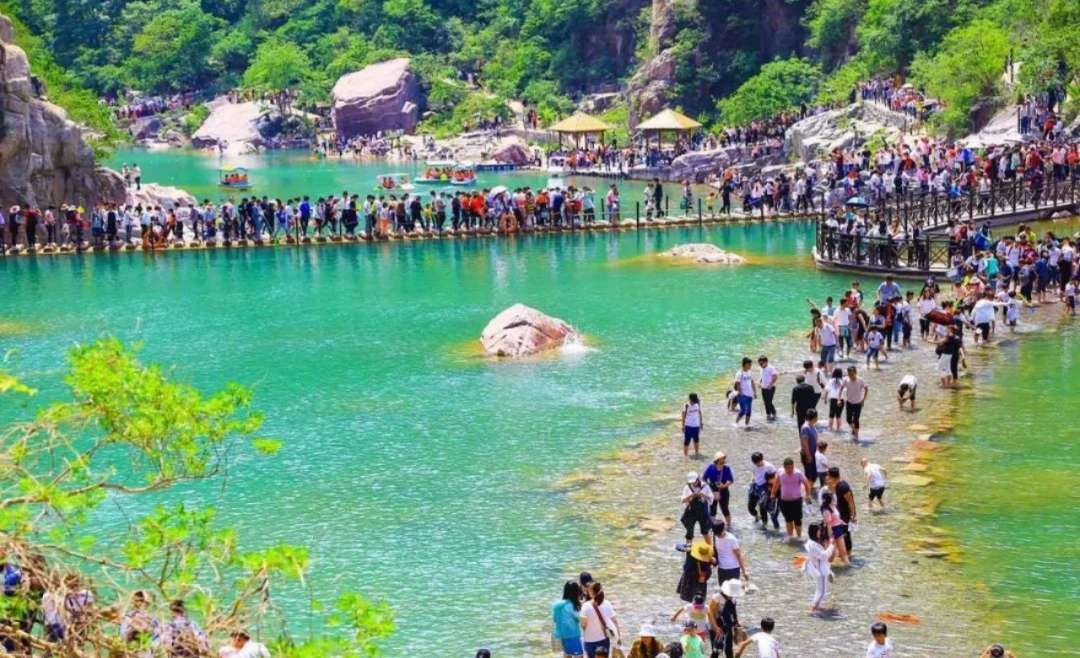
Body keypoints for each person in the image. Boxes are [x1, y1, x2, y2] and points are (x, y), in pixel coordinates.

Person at [771, 458, 811, 540]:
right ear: (784, 467)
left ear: (793, 466)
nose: (790, 470)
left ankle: (799, 537)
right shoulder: (780, 472)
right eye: (788, 468)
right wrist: (773, 494)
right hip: (784, 501)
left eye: (791, 468)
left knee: (797, 520)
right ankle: (790, 536)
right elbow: (776, 484)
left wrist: (808, 495)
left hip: (796, 500)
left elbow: (807, 484)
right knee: (788, 520)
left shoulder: (798, 473)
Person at [581, 582, 621, 658]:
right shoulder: (607, 603)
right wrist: (618, 637)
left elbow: (583, 625)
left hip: (589, 640)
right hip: (603, 639)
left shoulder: (586, 606)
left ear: (591, 592)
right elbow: (615, 621)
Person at [803, 522, 835, 612]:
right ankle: (813, 609)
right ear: (815, 532)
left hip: (818, 568)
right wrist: (831, 545)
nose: (820, 532)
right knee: (822, 591)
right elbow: (824, 556)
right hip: (821, 571)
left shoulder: (811, 542)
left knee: (819, 590)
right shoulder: (813, 545)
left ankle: (815, 606)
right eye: (819, 531)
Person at [827, 467, 857, 557]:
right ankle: (844, 553)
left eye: (828, 476)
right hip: (840, 514)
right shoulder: (838, 485)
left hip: (845, 515)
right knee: (841, 534)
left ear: (831, 476)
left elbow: (851, 502)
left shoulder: (843, 487)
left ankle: (848, 554)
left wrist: (853, 515)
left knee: (846, 535)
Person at [709, 579, 742, 658]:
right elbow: (710, 613)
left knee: (729, 649)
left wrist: (737, 622)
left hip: (728, 624)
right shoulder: (717, 597)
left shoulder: (733, 598)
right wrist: (716, 627)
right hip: (716, 623)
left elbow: (733, 611)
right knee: (716, 650)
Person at [553, 581, 585, 658]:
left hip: (561, 636)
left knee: (567, 655)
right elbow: (580, 619)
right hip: (572, 635)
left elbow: (555, 619)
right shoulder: (571, 605)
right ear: (575, 592)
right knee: (579, 656)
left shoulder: (557, 605)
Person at [711, 521, 748, 585]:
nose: (718, 536)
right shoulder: (715, 537)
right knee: (723, 588)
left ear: (724, 529)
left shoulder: (731, 539)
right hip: (721, 569)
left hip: (733, 569)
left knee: (733, 589)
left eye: (719, 534)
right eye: (716, 534)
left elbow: (739, 555)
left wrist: (744, 571)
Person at [702, 452, 734, 527]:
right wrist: (709, 487)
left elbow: (731, 480)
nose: (724, 460)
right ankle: (712, 526)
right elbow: (704, 478)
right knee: (712, 509)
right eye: (722, 459)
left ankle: (729, 526)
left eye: (724, 458)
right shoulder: (711, 467)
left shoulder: (726, 468)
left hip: (724, 490)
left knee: (725, 509)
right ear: (717, 460)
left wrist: (724, 486)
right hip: (712, 490)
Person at [682, 472, 713, 541]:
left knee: (705, 531)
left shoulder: (705, 486)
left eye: (694, 481)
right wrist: (691, 496)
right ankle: (688, 546)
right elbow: (683, 500)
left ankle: (710, 545)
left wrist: (703, 495)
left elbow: (711, 499)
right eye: (691, 482)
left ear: (698, 479)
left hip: (703, 511)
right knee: (689, 532)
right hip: (691, 511)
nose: (693, 483)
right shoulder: (687, 487)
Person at [841, 366, 868, 442]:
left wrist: (863, 399)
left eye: (852, 374)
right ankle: (853, 429)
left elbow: (866, 388)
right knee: (848, 419)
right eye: (849, 374)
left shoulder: (860, 380)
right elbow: (841, 388)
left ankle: (856, 435)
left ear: (855, 373)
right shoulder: (846, 380)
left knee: (856, 419)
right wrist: (839, 399)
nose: (851, 376)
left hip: (858, 403)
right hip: (849, 402)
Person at [733, 358, 756, 427]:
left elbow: (752, 382)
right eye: (749, 364)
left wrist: (754, 392)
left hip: (750, 395)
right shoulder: (739, 373)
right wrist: (741, 393)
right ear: (745, 364)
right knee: (743, 410)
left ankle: (746, 425)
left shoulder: (749, 372)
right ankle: (736, 423)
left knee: (749, 411)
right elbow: (737, 383)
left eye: (751, 364)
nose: (751, 366)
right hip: (742, 395)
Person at [799, 409, 819, 484]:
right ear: (814, 417)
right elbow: (805, 443)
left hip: (812, 454)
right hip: (807, 454)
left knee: (814, 475)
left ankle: (809, 488)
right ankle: (807, 489)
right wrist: (808, 456)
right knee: (810, 475)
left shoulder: (812, 426)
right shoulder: (806, 428)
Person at [757, 356, 778, 421]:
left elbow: (775, 376)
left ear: (766, 362)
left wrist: (770, 385)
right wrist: (759, 382)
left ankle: (774, 413)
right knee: (765, 402)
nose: (760, 365)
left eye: (761, 364)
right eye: (759, 364)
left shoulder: (771, 368)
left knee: (768, 402)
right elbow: (761, 377)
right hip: (763, 387)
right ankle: (768, 414)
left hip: (770, 388)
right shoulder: (761, 368)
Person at [682, 393, 703, 458]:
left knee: (696, 440)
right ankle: (685, 456)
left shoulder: (697, 404)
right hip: (688, 425)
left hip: (696, 425)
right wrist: (683, 426)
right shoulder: (686, 405)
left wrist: (701, 423)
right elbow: (683, 416)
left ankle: (697, 453)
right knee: (687, 441)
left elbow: (700, 413)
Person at [824, 368, 844, 432]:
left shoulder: (831, 381)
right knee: (839, 415)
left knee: (831, 414)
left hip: (833, 399)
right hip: (841, 399)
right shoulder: (843, 381)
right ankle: (838, 429)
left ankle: (830, 428)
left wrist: (825, 399)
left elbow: (826, 390)